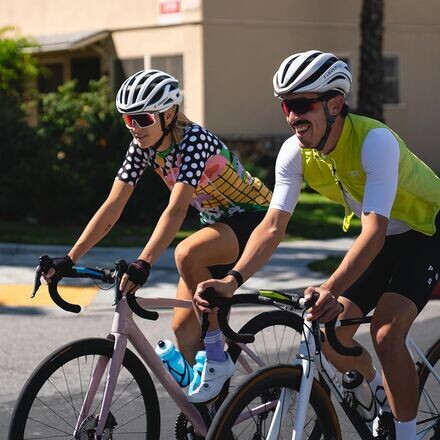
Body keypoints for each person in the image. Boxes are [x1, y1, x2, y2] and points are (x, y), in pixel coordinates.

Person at [195, 50, 440, 439]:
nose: (292, 116)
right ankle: (378, 394)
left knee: (386, 332)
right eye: (286, 106)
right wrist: (231, 280)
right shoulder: (295, 152)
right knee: (328, 335)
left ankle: (407, 435)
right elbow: (272, 226)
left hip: (427, 232)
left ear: (335, 104)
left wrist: (329, 288)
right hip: (384, 241)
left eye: (302, 104)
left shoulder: (374, 141)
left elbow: (373, 232)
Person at [42, 69, 272, 403]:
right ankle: (213, 413)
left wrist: (144, 263)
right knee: (182, 328)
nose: (134, 127)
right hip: (218, 225)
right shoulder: (143, 147)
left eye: (143, 119)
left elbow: (176, 210)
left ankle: (217, 357)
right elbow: (113, 205)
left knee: (186, 253)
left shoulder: (194, 141)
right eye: (128, 119)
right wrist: (70, 257)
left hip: (254, 217)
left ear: (168, 114)